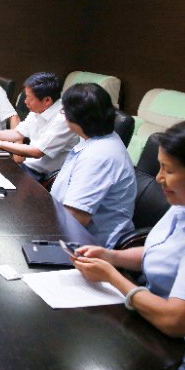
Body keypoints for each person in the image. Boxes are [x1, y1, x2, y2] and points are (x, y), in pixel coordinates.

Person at [72, 119, 185, 370]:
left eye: (168, 170)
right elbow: (160, 252)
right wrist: (111, 256)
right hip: (151, 334)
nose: (158, 178)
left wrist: (113, 277)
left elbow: (176, 321)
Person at [51, 83, 135, 247]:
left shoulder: (98, 156)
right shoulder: (97, 139)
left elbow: (75, 218)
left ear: (75, 117)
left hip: (88, 246)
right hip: (65, 230)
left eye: (64, 111)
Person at [0, 72, 79, 180]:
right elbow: (17, 133)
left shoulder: (63, 118)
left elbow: (37, 151)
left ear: (47, 100)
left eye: (29, 98)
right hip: (28, 166)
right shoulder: (39, 108)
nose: (25, 101)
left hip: (44, 176)